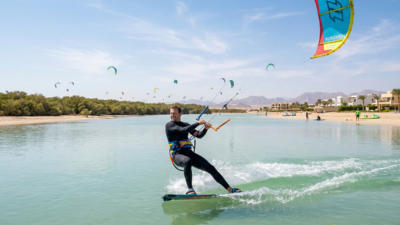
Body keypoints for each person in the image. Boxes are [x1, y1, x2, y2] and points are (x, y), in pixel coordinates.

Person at [166, 105, 241, 195]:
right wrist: (198, 123)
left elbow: (199, 135)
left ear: (180, 114)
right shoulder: (169, 125)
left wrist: (205, 129)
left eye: (174, 113)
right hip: (177, 156)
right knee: (187, 160)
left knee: (210, 167)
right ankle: (190, 189)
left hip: (189, 153)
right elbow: (183, 130)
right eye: (171, 113)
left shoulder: (186, 124)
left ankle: (229, 189)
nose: (172, 115)